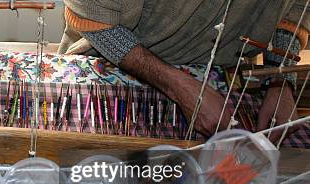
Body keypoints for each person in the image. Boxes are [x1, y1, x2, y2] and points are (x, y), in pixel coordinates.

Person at [59, 0, 309, 140]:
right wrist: (178, 85)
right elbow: (95, 19)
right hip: (116, 62)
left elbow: (297, 8)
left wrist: (281, 79)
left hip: (222, 73)